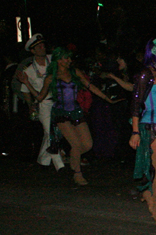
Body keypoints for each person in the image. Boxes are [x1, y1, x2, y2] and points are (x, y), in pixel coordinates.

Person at [19, 47, 118, 186]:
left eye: (70, 58)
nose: (69, 60)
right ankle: (77, 174)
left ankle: (73, 158)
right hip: (61, 113)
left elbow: (90, 86)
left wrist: (108, 99)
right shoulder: (50, 77)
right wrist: (27, 83)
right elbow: (40, 97)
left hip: (76, 111)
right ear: (59, 60)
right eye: (67, 58)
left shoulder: (75, 72)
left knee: (88, 144)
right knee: (76, 144)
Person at [130, 37, 156, 227]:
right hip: (150, 125)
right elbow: (135, 104)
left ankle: (148, 194)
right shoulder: (145, 74)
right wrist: (135, 131)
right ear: (155, 52)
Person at [15, 34, 65, 171]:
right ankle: (60, 164)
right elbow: (25, 89)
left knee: (56, 131)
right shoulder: (29, 70)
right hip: (44, 103)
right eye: (39, 47)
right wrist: (30, 105)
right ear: (33, 51)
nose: (43, 48)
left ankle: (43, 160)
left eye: (43, 45)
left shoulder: (53, 60)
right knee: (51, 132)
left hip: (59, 102)